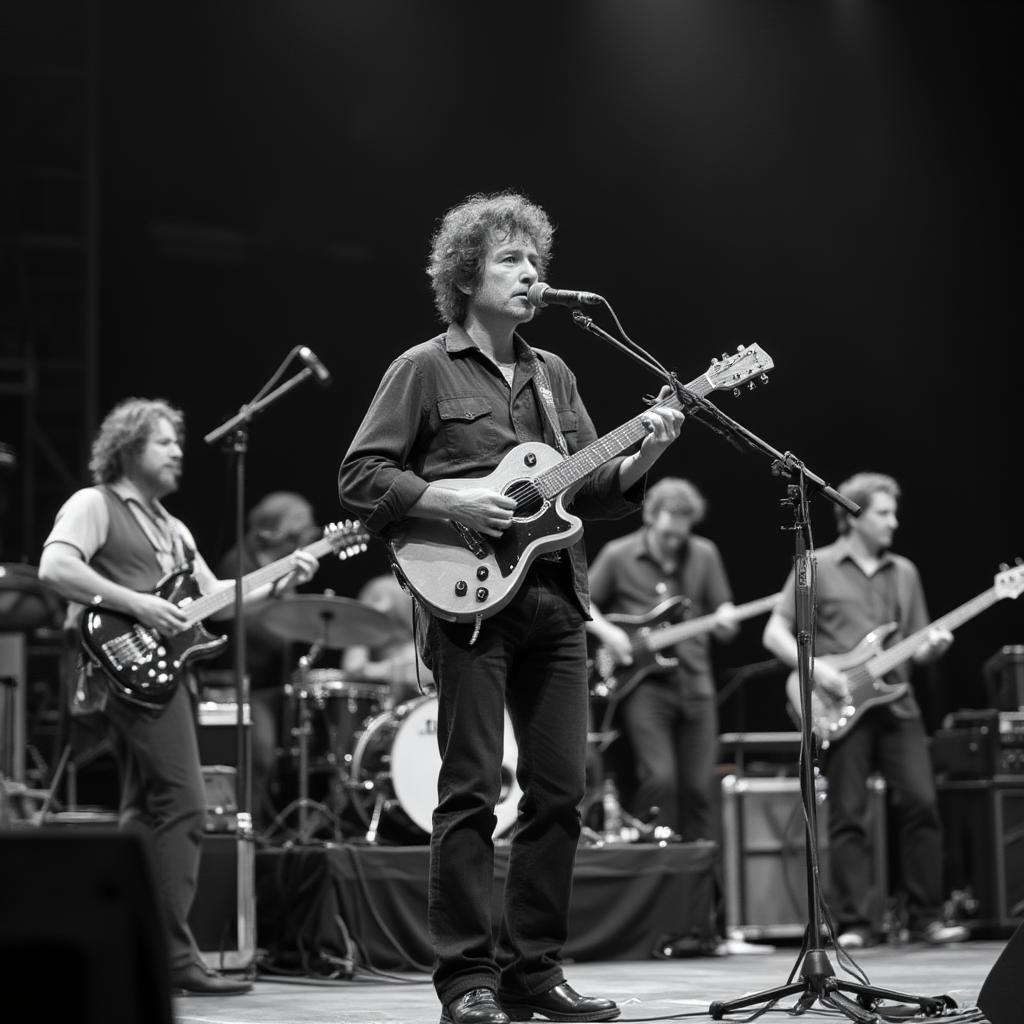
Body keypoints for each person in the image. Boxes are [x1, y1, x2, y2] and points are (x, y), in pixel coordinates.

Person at [338, 192, 684, 1024]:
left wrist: (647, 453)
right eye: (511, 261)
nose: (532, 274)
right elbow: (360, 477)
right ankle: (468, 981)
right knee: (468, 792)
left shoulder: (554, 375)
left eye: (537, 263)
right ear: (467, 277)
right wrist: (451, 503)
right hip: (469, 606)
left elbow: (589, 493)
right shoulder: (423, 368)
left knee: (560, 790)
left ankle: (536, 971)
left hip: (557, 599)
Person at [38, 398, 317, 994]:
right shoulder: (95, 504)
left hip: (166, 674)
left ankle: (124, 947)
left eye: (178, 443)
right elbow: (56, 569)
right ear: (129, 445)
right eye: (164, 442)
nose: (177, 452)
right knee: (186, 805)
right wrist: (138, 603)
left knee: (144, 814)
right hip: (128, 672)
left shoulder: (173, 527)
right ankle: (172, 957)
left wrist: (288, 572)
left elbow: (219, 601)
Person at [761, 472, 965, 949]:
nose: (894, 522)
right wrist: (818, 672)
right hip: (841, 704)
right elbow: (774, 632)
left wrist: (932, 650)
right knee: (848, 815)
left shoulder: (906, 572)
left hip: (898, 705)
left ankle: (925, 917)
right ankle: (857, 923)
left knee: (921, 804)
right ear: (854, 516)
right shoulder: (816, 563)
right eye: (883, 513)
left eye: (894, 513)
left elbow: (916, 644)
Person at [587, 477, 737, 841]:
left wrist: (726, 621)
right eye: (667, 534)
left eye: (680, 536)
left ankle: (702, 881)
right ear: (649, 518)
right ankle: (655, 866)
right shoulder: (618, 555)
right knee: (660, 780)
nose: (673, 543)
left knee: (701, 787)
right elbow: (583, 600)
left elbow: (725, 620)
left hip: (697, 682)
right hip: (645, 687)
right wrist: (610, 635)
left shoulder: (704, 554)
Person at [214, 491, 320, 830]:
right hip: (241, 685)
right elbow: (254, 627)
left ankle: (278, 831)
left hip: (274, 683)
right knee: (258, 757)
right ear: (273, 533)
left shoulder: (282, 566)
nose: (306, 536)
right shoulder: (238, 564)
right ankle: (251, 837)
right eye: (298, 530)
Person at [342, 572, 433, 706]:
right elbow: (353, 665)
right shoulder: (381, 589)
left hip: (427, 694)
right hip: (386, 697)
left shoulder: (433, 591)